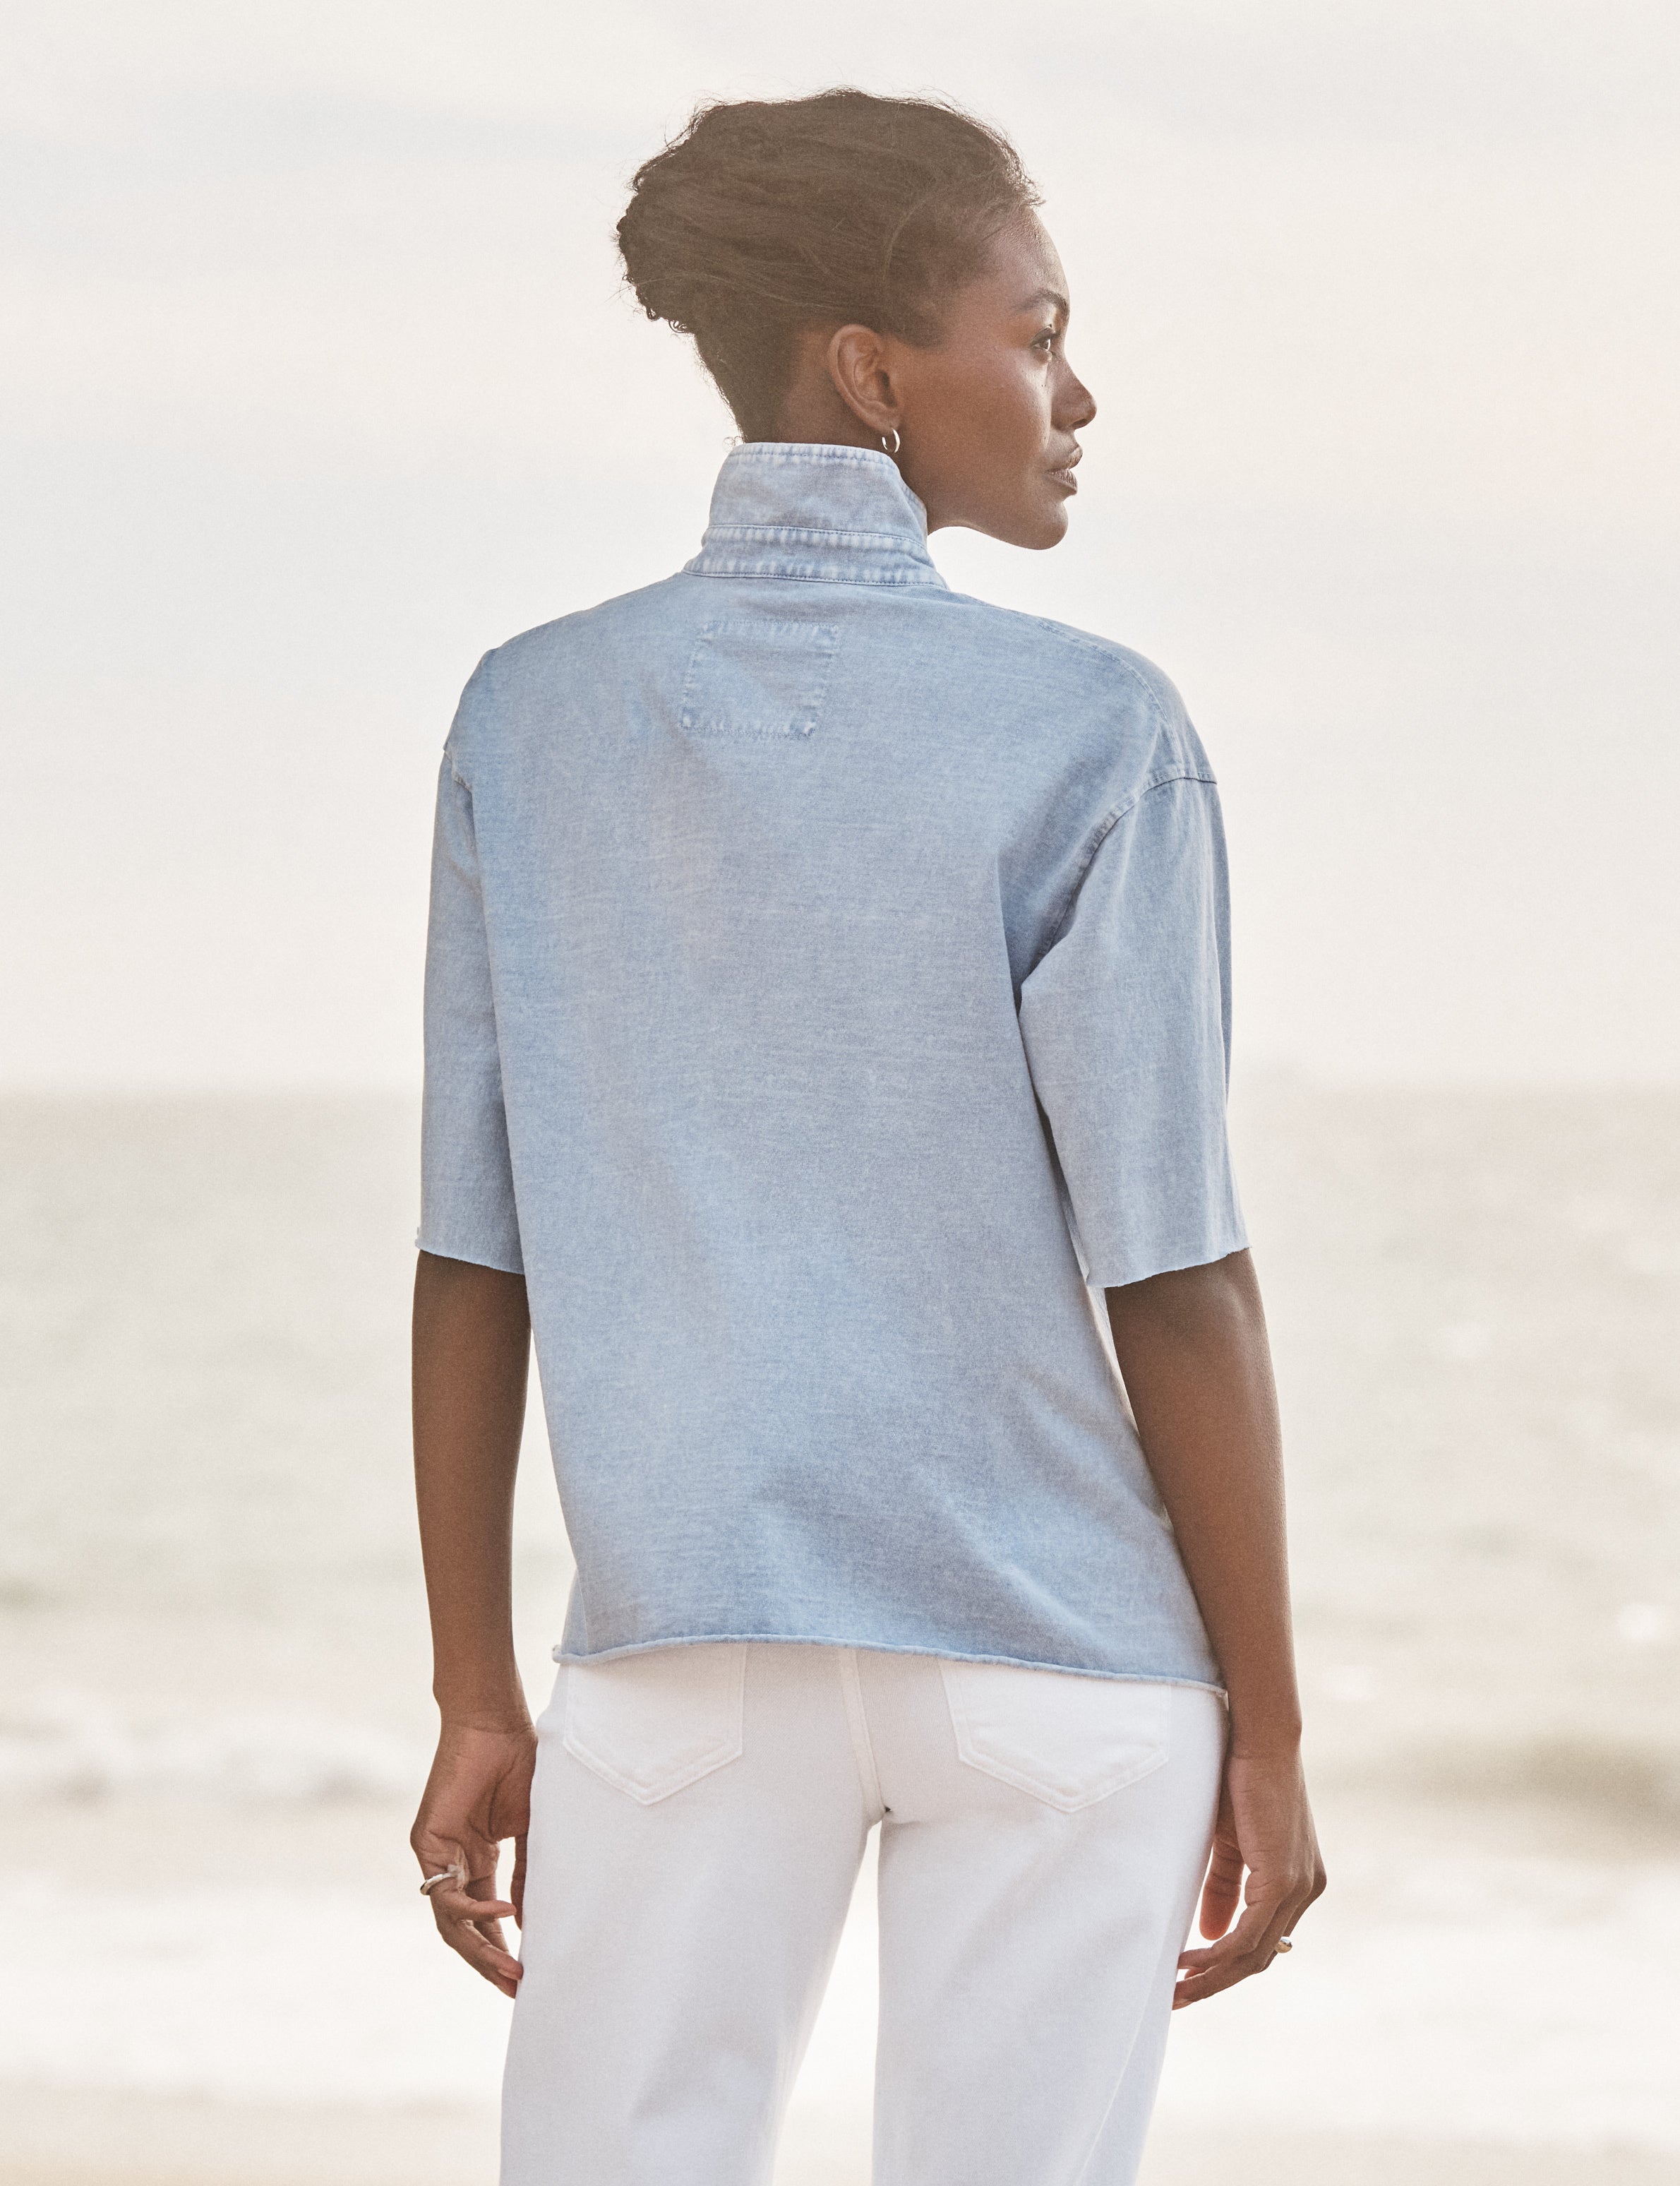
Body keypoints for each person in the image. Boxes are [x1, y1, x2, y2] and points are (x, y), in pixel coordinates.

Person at [408, 88, 1325, 2186]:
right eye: (1035, 329)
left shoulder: (527, 715)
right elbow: (1172, 1268)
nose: (1074, 391)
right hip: (1062, 1664)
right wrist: (1267, 1732)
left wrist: (477, 1688)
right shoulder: (1095, 724)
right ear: (868, 368)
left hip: (681, 1646)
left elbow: (479, 1251)